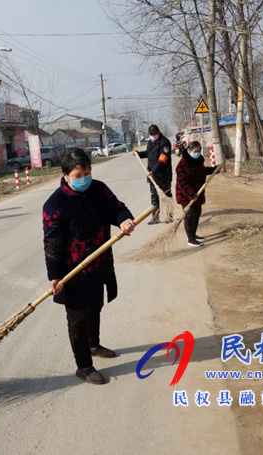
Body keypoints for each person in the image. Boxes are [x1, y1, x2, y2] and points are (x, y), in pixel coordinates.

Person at [42, 149, 135, 385]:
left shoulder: (99, 189)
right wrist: (54, 275)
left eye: (87, 172)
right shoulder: (55, 204)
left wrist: (123, 218)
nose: (84, 177)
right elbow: (52, 242)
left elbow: (117, 207)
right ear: (65, 175)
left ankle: (93, 345)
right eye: (78, 174)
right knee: (77, 319)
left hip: (99, 264)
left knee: (95, 306)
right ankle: (83, 366)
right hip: (72, 272)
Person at [175, 141, 217, 247]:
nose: (197, 153)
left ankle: (194, 234)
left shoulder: (198, 160)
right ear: (189, 150)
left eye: (199, 151)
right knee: (190, 216)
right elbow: (182, 182)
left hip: (197, 193)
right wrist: (191, 193)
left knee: (197, 214)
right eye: (195, 151)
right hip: (186, 195)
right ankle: (190, 239)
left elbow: (202, 171)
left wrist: (214, 169)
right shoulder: (183, 164)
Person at [145, 124, 173, 224]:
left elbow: (163, 159)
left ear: (158, 132)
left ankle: (169, 216)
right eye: (151, 134)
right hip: (152, 175)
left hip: (163, 175)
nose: (153, 135)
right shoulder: (150, 143)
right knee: (154, 197)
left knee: (166, 196)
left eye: (155, 133)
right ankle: (155, 218)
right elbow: (147, 153)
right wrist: (138, 153)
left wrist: (154, 170)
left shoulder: (165, 143)